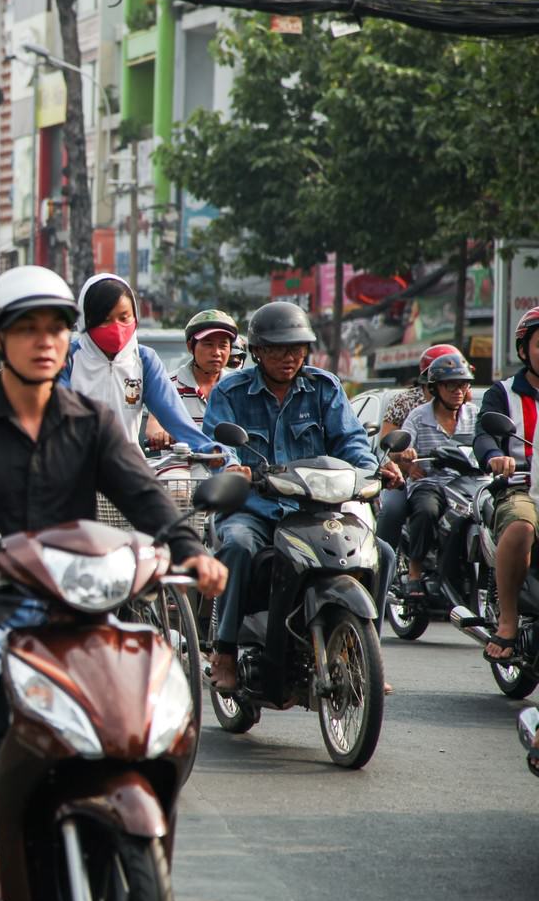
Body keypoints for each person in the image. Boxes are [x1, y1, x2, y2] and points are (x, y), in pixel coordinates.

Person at [0, 266, 227, 901]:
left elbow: (144, 495)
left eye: (56, 327)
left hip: (77, 604)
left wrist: (190, 551)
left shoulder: (90, 421)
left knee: (154, 674)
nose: (46, 340)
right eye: (28, 329)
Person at [202, 301, 401, 692]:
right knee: (238, 547)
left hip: (314, 509)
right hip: (254, 510)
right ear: (257, 351)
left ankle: (363, 652)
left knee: (383, 553)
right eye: (278, 349)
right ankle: (224, 650)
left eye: (297, 348)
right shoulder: (230, 391)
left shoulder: (324, 387)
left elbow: (351, 442)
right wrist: (229, 467)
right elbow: (217, 444)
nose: (289, 357)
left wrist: (373, 471)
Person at [58, 273, 212, 454]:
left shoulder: (144, 360)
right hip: (74, 468)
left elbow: (176, 418)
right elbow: (57, 415)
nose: (116, 327)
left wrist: (214, 453)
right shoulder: (67, 358)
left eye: (124, 318)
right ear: (86, 320)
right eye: (106, 320)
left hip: (125, 469)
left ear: (135, 317)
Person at [472, 306, 539, 665]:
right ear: (523, 350)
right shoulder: (503, 393)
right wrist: (495, 457)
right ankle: (509, 620)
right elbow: (483, 434)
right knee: (520, 526)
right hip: (521, 488)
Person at [395, 352, 477, 595]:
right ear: (436, 387)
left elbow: (489, 443)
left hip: (468, 485)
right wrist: (407, 456)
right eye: (451, 385)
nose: (458, 390)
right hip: (430, 483)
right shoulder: (418, 416)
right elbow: (401, 447)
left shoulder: (475, 415)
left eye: (463, 384)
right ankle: (415, 572)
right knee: (426, 511)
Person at [376, 343, 463, 553]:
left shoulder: (465, 403)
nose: (457, 389)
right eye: (448, 382)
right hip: (411, 478)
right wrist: (407, 466)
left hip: (457, 478)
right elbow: (387, 445)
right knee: (392, 509)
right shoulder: (404, 402)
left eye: (460, 382)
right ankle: (383, 560)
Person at [171, 310, 239, 425]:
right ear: (190, 346)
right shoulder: (168, 386)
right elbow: (154, 425)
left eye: (223, 345)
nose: (216, 352)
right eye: (208, 344)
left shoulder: (238, 387)